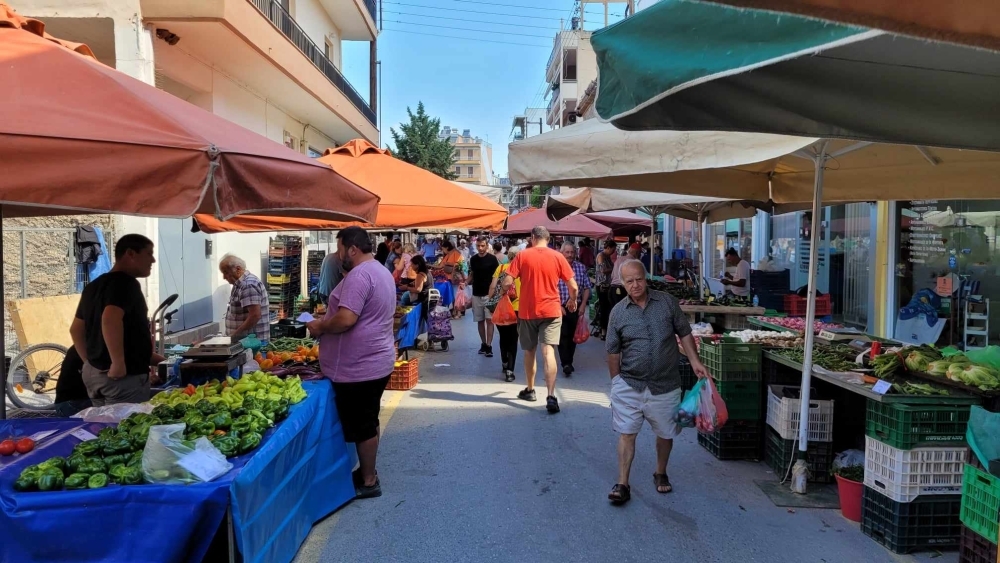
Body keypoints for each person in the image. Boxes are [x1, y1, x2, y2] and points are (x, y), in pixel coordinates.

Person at [606, 260, 711, 505]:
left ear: (646, 278)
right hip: (630, 383)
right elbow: (612, 350)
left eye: (639, 279)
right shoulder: (618, 312)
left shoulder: (667, 302)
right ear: (622, 284)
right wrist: (616, 381)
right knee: (627, 433)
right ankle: (622, 483)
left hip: (665, 383)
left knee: (665, 433)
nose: (635, 285)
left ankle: (660, 471)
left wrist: (695, 361)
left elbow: (684, 332)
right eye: (629, 281)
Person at [306, 227, 396, 500]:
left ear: (353, 249)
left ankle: (368, 481)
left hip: (360, 367)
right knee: (368, 419)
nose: (338, 255)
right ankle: (369, 471)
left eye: (340, 248)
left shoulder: (359, 275)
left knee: (363, 425)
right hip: (374, 361)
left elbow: (346, 319)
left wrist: (321, 326)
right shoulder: (380, 270)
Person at [70, 234, 165, 406]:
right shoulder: (127, 284)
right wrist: (118, 363)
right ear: (131, 253)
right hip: (122, 378)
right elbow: (110, 318)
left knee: (102, 422)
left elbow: (76, 329)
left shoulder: (93, 287)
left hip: (95, 376)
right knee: (126, 422)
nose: (153, 260)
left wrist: (89, 363)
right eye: (149, 253)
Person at [501, 226, 577, 414]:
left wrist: (504, 291)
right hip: (551, 310)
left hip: (528, 311)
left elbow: (508, 282)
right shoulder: (558, 257)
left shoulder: (522, 256)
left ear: (532, 237)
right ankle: (551, 396)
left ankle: (530, 390)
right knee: (548, 351)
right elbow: (573, 286)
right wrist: (572, 300)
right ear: (548, 239)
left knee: (530, 351)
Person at [557, 243, 592, 376]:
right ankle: (565, 363)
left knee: (573, 336)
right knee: (562, 335)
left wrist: (583, 305)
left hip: (576, 306)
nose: (570, 255)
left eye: (572, 252)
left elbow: (587, 287)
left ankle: (569, 362)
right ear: (562, 253)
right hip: (560, 307)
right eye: (567, 252)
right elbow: (551, 288)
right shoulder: (556, 267)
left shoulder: (580, 267)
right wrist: (558, 305)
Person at [219, 254, 270, 341]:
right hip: (245, 341)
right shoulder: (240, 284)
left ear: (238, 269)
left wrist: (234, 336)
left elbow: (255, 315)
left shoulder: (247, 285)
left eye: (226, 272)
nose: (224, 277)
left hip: (251, 343)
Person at [489, 248, 520, 382]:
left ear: (509, 256)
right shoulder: (522, 269)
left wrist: (490, 302)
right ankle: (510, 371)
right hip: (517, 308)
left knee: (503, 336)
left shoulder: (501, 268)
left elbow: (492, 286)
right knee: (513, 339)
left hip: (501, 307)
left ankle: (504, 361)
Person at [468, 236, 500, 357]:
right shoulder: (473, 259)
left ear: (487, 246)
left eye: (483, 246)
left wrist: (495, 293)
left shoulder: (492, 259)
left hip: (489, 295)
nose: (480, 248)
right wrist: (465, 282)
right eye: (478, 246)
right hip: (476, 293)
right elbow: (472, 274)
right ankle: (483, 343)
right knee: (480, 320)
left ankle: (489, 345)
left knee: (489, 321)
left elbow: (497, 277)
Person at [438, 240, 466, 319]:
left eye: (443, 248)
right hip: (451, 278)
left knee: (457, 295)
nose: (443, 250)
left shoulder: (456, 254)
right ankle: (455, 312)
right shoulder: (449, 255)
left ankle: (458, 312)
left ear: (447, 247)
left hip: (456, 278)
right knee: (454, 295)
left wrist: (453, 275)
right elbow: (441, 265)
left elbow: (457, 266)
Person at [595, 240, 616, 340]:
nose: (614, 251)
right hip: (602, 286)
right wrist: (614, 268)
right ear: (608, 248)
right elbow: (602, 270)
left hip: (608, 285)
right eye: (613, 249)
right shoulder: (601, 256)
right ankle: (603, 331)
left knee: (608, 307)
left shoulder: (608, 257)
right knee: (604, 308)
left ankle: (606, 328)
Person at [609, 243, 641, 309]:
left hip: (612, 289)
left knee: (615, 311)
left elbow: (612, 276)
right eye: (640, 253)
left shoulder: (619, 259)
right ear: (637, 252)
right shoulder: (634, 262)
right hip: (623, 290)